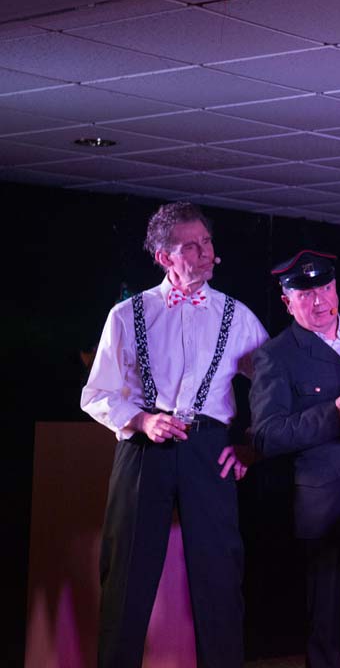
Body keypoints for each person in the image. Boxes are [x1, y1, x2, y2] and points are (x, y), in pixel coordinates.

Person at [81, 201, 268, 668]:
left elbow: (270, 386)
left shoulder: (236, 315)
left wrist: (253, 444)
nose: (206, 254)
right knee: (127, 573)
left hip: (209, 448)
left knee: (219, 573)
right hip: (144, 448)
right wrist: (141, 420)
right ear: (164, 257)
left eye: (207, 243)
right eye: (192, 247)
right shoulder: (127, 314)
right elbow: (96, 393)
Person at [248, 250, 340, 668]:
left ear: (336, 287)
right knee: (326, 613)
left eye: (325, 288)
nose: (319, 300)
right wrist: (332, 415)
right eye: (305, 294)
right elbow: (266, 435)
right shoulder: (277, 354)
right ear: (287, 302)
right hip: (325, 501)